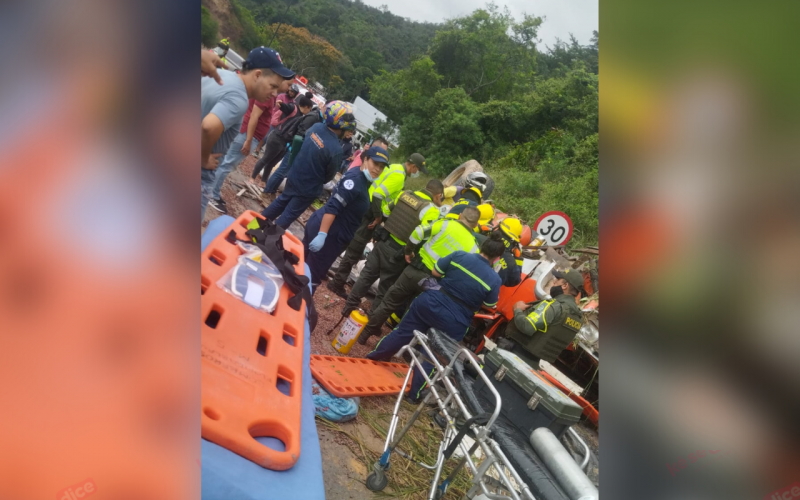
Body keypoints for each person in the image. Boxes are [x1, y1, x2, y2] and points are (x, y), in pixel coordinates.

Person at [366, 233, 506, 402]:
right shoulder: (494, 279)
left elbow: (435, 272)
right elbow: (491, 306)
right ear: (497, 258)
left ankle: (372, 358)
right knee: (432, 355)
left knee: (402, 333)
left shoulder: (459, 255)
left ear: (482, 247)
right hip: (455, 320)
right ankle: (413, 395)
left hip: (430, 303)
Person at [356, 206, 481, 345]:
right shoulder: (474, 248)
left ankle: (364, 335)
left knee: (389, 302)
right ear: (475, 225)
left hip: (414, 270)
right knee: (412, 314)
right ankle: (392, 347)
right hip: (433, 282)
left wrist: (408, 252)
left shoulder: (445, 223)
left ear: (459, 216)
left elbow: (418, 232)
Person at [201, 47, 294, 222]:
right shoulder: (239, 99)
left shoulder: (224, 76)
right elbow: (208, 126)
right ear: (257, 75)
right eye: (273, 86)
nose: (275, 93)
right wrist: (203, 157)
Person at [327, 151, 427, 298]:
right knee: (356, 248)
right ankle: (337, 282)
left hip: (365, 204)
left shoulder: (394, 167)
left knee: (349, 240)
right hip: (370, 210)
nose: (417, 172)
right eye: (417, 169)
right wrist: (378, 217)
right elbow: (378, 195)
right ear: (412, 166)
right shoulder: (399, 176)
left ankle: (327, 269)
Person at [342, 179, 445, 317]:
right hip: (398, 254)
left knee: (366, 276)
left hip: (382, 242)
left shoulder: (404, 194)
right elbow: (423, 236)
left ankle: (348, 307)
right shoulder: (431, 210)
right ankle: (370, 321)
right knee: (384, 289)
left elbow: (385, 211)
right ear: (438, 195)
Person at [303, 147, 390, 291]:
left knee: (300, 269)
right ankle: (298, 308)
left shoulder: (361, 177)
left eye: (381, 167)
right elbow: (333, 206)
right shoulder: (356, 180)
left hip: (328, 230)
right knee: (310, 279)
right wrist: (322, 235)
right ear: (366, 159)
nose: (378, 169)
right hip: (328, 233)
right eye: (375, 164)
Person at [260, 101, 354, 229]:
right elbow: (328, 177)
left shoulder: (317, 127)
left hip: (294, 176)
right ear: (342, 125)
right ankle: (264, 241)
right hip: (307, 189)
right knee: (287, 217)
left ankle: (252, 228)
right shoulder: (336, 150)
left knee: (279, 203)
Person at [208, 95, 304, 214]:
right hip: (248, 135)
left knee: (227, 164)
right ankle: (211, 194)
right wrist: (248, 140)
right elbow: (254, 115)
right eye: (288, 84)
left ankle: (214, 191)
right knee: (227, 164)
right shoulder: (267, 95)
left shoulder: (270, 95)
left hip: (250, 135)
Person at [498, 267, 585, 369]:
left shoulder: (554, 306)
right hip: (532, 363)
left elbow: (527, 326)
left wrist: (517, 309)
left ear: (565, 285)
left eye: (558, 280)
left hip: (515, 355)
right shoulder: (578, 317)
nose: (554, 282)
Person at [262, 100, 323, 196]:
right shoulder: (313, 117)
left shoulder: (319, 118)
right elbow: (300, 133)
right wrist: (299, 147)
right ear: (324, 108)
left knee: (285, 172)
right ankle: (267, 191)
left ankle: (272, 191)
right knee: (282, 171)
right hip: (294, 148)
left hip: (298, 149)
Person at [250, 96, 300, 182]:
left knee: (271, 164)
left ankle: (264, 181)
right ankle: (252, 177)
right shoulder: (293, 108)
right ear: (307, 107)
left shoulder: (301, 115)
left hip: (284, 142)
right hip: (277, 136)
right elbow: (284, 106)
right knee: (265, 159)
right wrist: (280, 104)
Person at [475, 217, 524, 288]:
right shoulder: (511, 264)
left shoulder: (478, 238)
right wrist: (518, 258)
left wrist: (478, 229)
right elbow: (515, 281)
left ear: (498, 228)